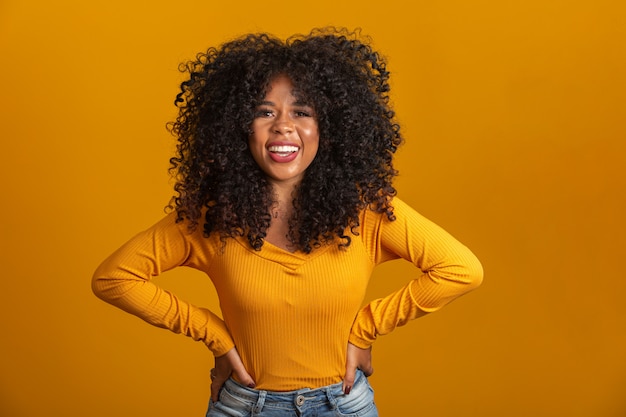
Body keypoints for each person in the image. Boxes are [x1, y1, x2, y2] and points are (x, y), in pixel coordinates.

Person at [92, 27, 483, 417]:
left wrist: (366, 328)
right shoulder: (211, 218)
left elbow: (461, 269)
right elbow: (114, 278)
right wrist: (215, 336)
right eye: (265, 112)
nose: (282, 125)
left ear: (328, 128)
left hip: (342, 406)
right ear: (238, 128)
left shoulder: (367, 211)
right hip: (244, 406)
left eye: (301, 112)